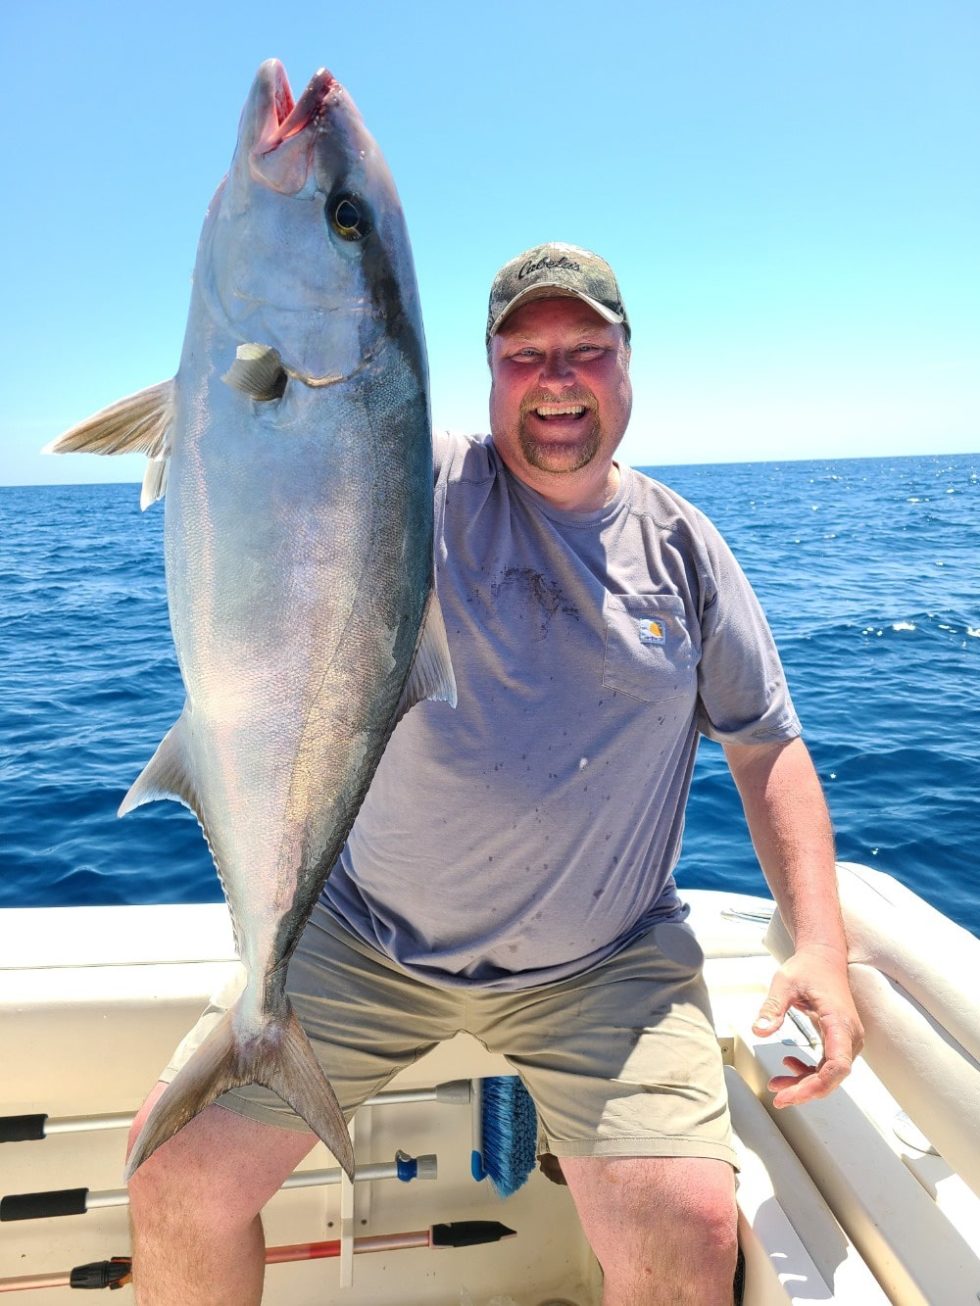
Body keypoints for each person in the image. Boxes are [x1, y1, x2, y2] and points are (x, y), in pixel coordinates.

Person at [127, 243, 864, 1305]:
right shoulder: (408, 481)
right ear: (485, 370)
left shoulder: (685, 551)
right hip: (358, 938)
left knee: (687, 1233)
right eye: (524, 354)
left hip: (602, 965)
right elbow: (273, 394)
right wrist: (251, 351)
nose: (555, 377)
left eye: (583, 350)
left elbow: (767, 747)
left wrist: (823, 951)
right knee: (173, 1183)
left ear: (624, 365)